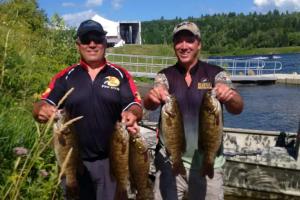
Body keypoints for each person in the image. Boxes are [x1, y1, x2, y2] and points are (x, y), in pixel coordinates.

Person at [32, 19, 143, 200]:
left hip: (112, 161)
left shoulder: (120, 74)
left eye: (97, 39)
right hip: (73, 162)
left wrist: (133, 113)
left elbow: (135, 105)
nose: (92, 44)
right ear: (78, 45)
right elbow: (41, 104)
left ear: (105, 43)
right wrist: (41, 110)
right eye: (86, 39)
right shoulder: (66, 76)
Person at [143, 21, 243, 200]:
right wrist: (152, 97)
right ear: (174, 46)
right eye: (178, 41)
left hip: (208, 163)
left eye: (189, 40)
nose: (183, 46)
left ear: (199, 44)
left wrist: (230, 96)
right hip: (169, 162)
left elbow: (237, 108)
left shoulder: (217, 73)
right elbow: (150, 103)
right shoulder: (164, 75)